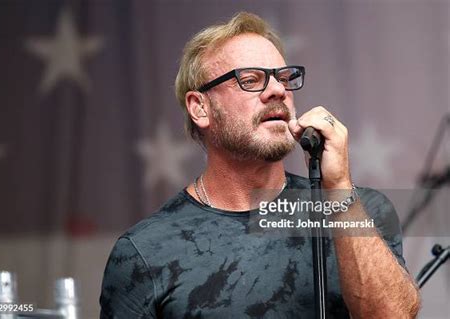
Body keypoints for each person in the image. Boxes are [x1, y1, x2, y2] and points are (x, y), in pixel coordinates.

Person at [99, 12, 420, 318]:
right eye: (251, 79)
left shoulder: (361, 211)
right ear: (200, 108)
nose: (278, 90)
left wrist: (337, 189)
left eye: (284, 78)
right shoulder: (145, 251)